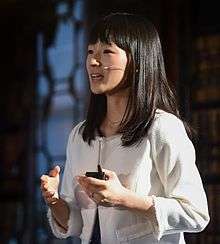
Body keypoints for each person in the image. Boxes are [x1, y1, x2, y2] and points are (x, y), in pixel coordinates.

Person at [40, 12, 210, 244]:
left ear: (137, 62)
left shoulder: (163, 127)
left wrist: (124, 198)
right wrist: (54, 200)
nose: (92, 61)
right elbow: (76, 223)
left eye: (106, 52)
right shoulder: (80, 135)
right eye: (90, 52)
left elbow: (196, 214)